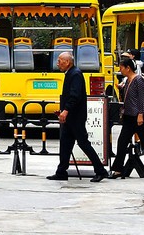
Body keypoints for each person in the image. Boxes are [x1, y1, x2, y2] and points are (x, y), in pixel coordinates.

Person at [47, 51, 109, 182]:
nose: (58, 64)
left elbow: (75, 95)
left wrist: (66, 110)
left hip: (76, 117)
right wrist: (63, 110)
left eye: (59, 61)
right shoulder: (70, 73)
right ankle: (61, 171)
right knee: (65, 143)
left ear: (67, 62)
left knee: (83, 143)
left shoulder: (75, 74)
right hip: (70, 116)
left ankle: (100, 171)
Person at [109, 54, 144, 180]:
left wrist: (141, 114)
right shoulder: (128, 80)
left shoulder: (138, 80)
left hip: (137, 117)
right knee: (122, 142)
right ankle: (117, 169)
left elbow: (143, 99)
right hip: (129, 116)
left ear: (128, 68)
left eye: (121, 68)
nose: (120, 70)